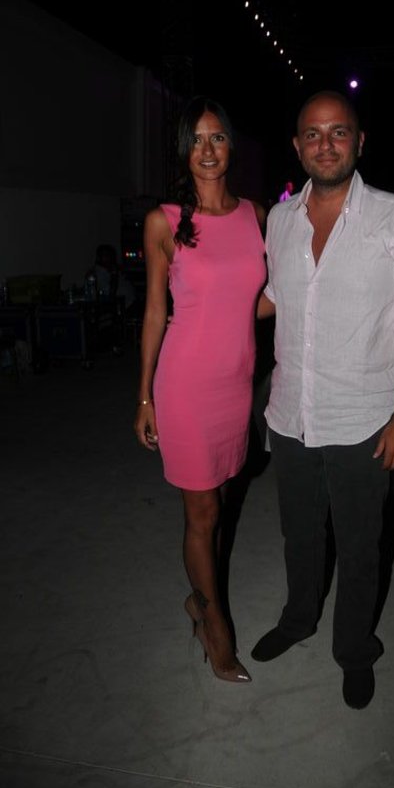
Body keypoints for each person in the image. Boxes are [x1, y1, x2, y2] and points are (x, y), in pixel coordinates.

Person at [252, 91, 394, 709]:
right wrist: (207, 303)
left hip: (365, 420)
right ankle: (298, 619)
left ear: (360, 141)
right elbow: (273, 297)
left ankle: (355, 650)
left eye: (338, 132)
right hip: (291, 415)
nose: (325, 144)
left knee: (360, 547)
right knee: (300, 534)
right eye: (313, 133)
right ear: (297, 145)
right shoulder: (280, 219)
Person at [134, 96, 266, 683]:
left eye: (217, 138)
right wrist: (144, 396)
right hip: (184, 385)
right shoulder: (163, 221)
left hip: (236, 384)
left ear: (231, 146)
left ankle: (196, 598)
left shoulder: (256, 215)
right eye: (196, 139)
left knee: (222, 499)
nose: (207, 150)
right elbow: (154, 312)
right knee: (203, 512)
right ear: (183, 151)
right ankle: (215, 629)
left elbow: (260, 299)